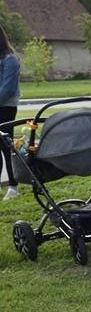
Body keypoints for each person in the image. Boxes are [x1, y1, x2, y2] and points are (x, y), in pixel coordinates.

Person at [0, 24, 21, 200]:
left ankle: (13, 186)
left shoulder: (10, 60)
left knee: (6, 146)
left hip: (6, 108)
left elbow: (7, 89)